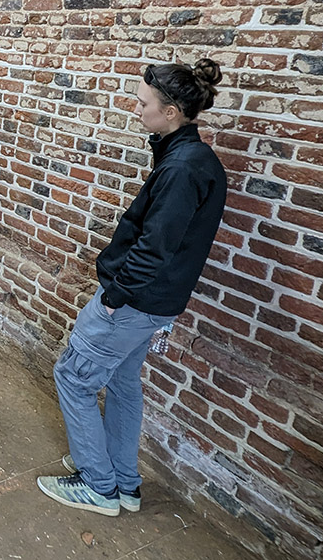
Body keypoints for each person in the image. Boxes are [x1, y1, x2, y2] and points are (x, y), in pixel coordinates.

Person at [37, 59, 227, 517]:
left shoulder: (184, 167)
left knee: (74, 379)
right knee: (122, 382)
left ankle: (97, 485)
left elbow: (154, 246)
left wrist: (113, 299)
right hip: (154, 305)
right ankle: (122, 480)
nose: (137, 109)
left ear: (173, 111)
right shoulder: (186, 157)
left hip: (133, 303)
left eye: (144, 104)